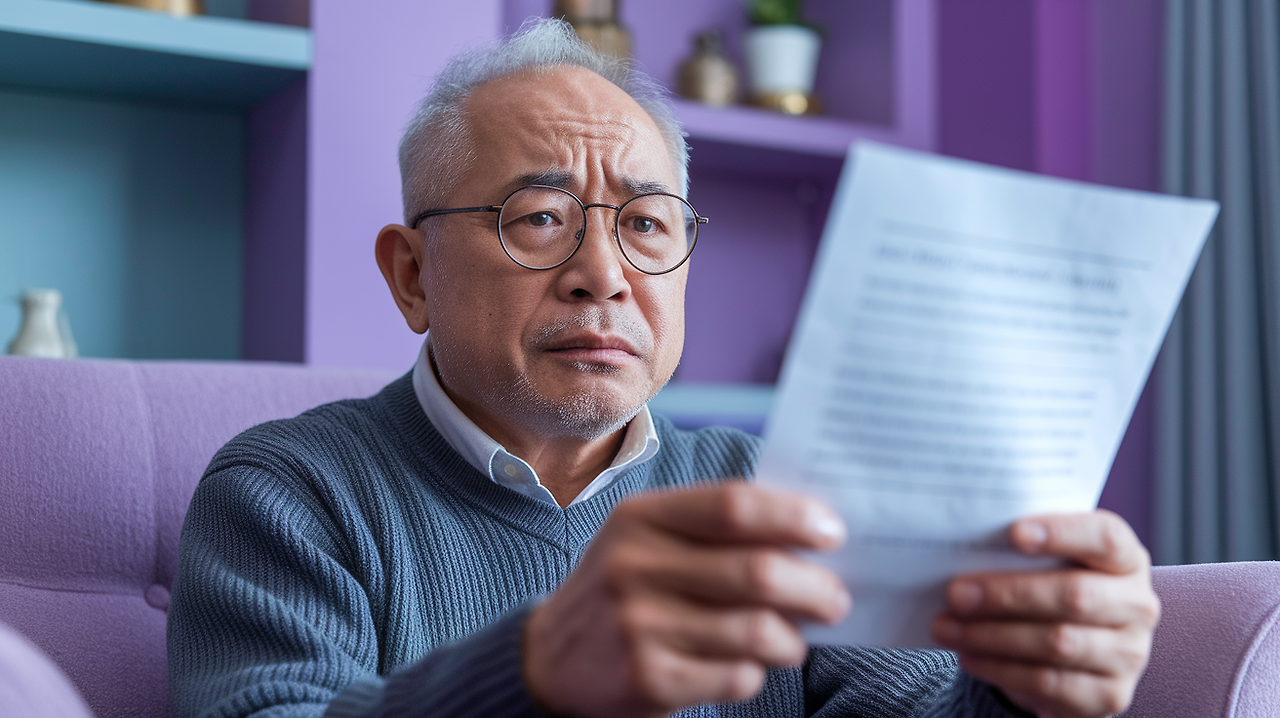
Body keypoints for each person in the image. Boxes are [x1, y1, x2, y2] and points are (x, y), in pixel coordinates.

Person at [167, 19, 1160, 718]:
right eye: (540, 219)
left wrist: (1020, 686)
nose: (602, 275)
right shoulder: (288, 494)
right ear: (412, 274)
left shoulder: (764, 488)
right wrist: (536, 674)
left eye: (645, 225)